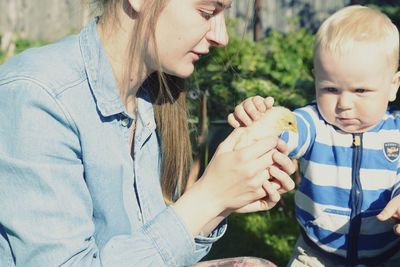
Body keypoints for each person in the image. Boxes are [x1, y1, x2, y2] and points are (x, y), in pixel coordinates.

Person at [0, 0, 296, 266]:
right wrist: (209, 197)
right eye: (207, 12)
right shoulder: (37, 97)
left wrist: (225, 199)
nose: (222, 37)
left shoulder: (149, 97)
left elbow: (146, 250)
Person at [229, 5, 400, 267]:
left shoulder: (396, 132)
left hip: (386, 255)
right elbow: (287, 131)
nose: (344, 103)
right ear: (316, 80)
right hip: (315, 255)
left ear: (392, 86)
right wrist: (260, 121)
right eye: (330, 88)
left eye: (361, 90)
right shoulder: (315, 124)